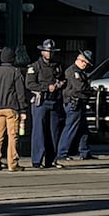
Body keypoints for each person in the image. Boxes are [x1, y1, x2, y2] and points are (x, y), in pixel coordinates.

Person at [0, 47, 30, 171]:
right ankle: (13, 164)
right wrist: (23, 110)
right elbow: (20, 92)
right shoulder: (15, 72)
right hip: (12, 108)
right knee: (13, 136)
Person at [26, 38, 65, 169]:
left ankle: (51, 160)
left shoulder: (58, 65)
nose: (49, 54)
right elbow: (30, 84)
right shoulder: (34, 67)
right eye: (47, 51)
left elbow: (63, 78)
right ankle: (37, 160)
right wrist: (46, 87)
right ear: (42, 51)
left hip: (54, 100)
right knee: (39, 132)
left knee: (54, 131)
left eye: (51, 51)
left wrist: (60, 84)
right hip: (41, 101)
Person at [57, 49, 96, 163]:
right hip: (73, 102)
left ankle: (84, 151)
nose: (86, 65)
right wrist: (90, 90)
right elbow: (80, 87)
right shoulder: (73, 71)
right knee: (70, 128)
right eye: (85, 62)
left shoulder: (80, 71)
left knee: (83, 129)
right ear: (80, 60)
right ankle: (62, 153)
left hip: (80, 103)